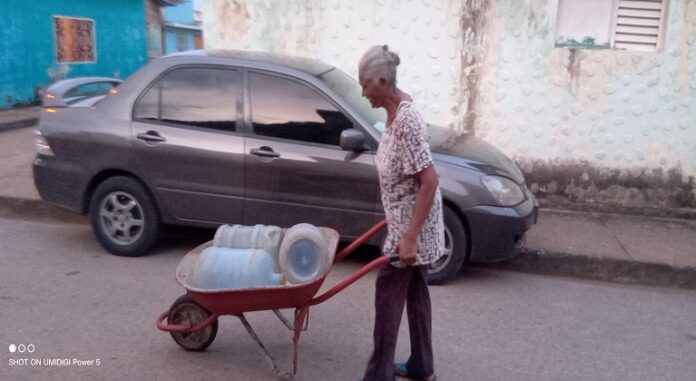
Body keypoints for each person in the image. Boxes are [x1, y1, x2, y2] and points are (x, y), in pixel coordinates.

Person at [358, 45, 444, 381]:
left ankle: (378, 376)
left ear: (382, 81)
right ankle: (423, 366)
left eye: (366, 85)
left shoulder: (407, 120)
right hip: (407, 223)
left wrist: (409, 240)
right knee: (416, 294)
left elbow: (429, 180)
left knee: (387, 301)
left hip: (411, 234)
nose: (363, 92)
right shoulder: (395, 111)